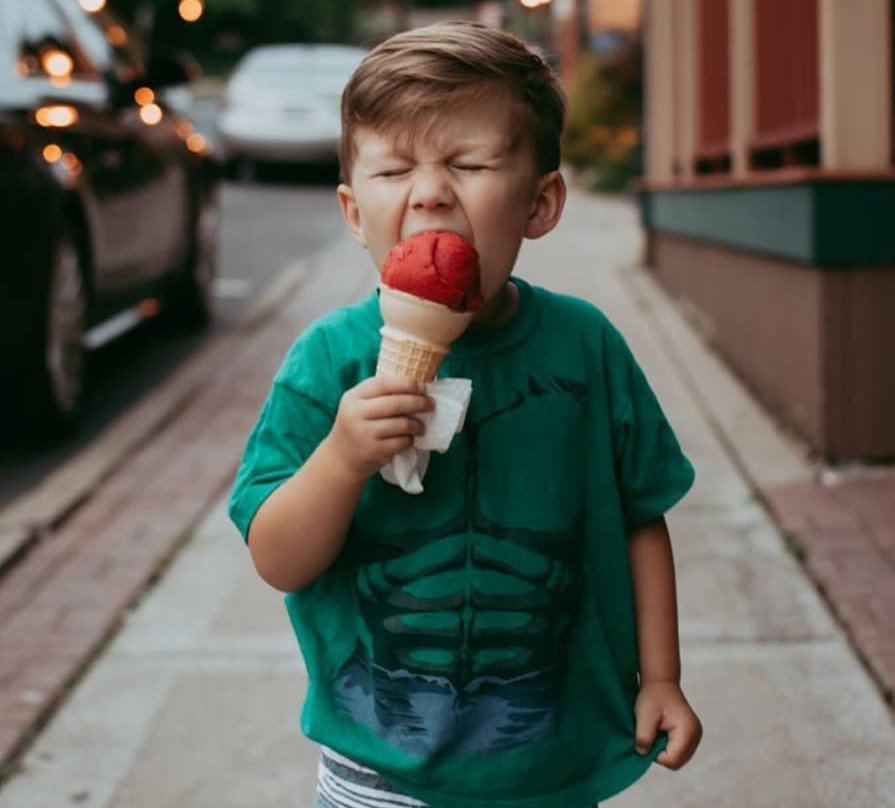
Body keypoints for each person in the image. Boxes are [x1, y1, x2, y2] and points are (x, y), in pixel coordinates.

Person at [229, 19, 702, 808]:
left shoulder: (584, 347)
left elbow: (637, 516)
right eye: (392, 171)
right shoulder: (328, 361)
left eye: (470, 163)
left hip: (551, 760)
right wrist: (341, 459)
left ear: (540, 204)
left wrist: (660, 676)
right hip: (376, 767)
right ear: (352, 213)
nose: (430, 192)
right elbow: (278, 559)